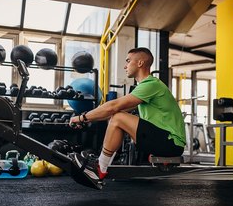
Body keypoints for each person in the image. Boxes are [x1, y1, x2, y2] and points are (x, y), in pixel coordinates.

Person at [69, 47, 186, 185]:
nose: (125, 66)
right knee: (117, 117)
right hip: (163, 140)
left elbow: (113, 107)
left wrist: (81, 118)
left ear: (140, 63)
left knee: (118, 117)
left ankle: (100, 169)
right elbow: (110, 112)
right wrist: (87, 119)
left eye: (128, 61)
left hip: (171, 142)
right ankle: (101, 166)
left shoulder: (151, 85)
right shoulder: (146, 87)